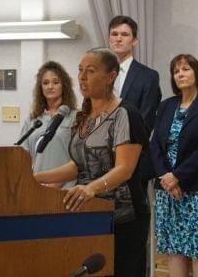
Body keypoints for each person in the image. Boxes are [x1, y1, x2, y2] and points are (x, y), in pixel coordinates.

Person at [34, 48, 149, 277]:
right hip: (89, 215)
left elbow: (125, 169)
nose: (82, 77)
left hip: (123, 217)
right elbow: (78, 165)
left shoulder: (125, 114)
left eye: (90, 71)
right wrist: (34, 178)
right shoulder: (82, 116)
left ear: (111, 76)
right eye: (80, 70)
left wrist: (91, 188)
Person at [150, 54, 198, 277]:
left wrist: (178, 177)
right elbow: (155, 145)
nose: (181, 74)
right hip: (166, 188)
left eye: (186, 69)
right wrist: (166, 176)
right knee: (174, 248)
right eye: (176, 71)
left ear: (197, 73)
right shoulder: (166, 106)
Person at [108, 15, 161, 182]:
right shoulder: (100, 74)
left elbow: (146, 122)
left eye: (124, 34)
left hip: (132, 157)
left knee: (134, 208)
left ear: (134, 41)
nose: (118, 38)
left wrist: (122, 149)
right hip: (100, 158)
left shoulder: (148, 76)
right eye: (114, 34)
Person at [18, 61, 78, 188]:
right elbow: (23, 156)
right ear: (40, 88)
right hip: (37, 188)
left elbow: (80, 161)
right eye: (45, 83)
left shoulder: (76, 117)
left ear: (64, 86)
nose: (50, 86)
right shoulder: (32, 119)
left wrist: (56, 183)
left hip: (66, 189)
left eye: (55, 82)